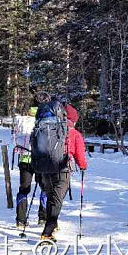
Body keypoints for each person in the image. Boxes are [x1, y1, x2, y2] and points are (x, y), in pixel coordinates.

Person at [38, 102, 87, 243]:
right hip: (62, 169)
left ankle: (53, 224)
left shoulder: (48, 129)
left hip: (45, 168)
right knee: (57, 199)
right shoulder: (74, 133)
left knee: (51, 196)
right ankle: (47, 232)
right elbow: (80, 155)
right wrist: (83, 166)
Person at [14, 107, 47, 228]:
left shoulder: (21, 121)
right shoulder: (44, 123)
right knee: (45, 188)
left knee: (23, 189)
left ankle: (20, 219)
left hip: (24, 159)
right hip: (40, 160)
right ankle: (43, 218)